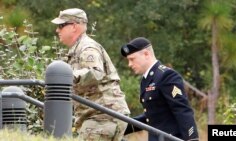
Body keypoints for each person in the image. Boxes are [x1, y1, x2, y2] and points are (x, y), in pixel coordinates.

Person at [51, 8, 130, 141]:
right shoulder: (77, 49)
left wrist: (69, 77)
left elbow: (96, 72)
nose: (57, 30)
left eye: (61, 26)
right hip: (98, 116)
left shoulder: (87, 48)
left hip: (102, 116)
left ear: (74, 26)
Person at [121, 37, 199, 141]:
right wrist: (121, 127)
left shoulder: (166, 75)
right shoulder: (146, 79)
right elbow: (152, 115)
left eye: (132, 59)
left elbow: (182, 110)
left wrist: (192, 139)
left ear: (146, 54)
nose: (129, 64)